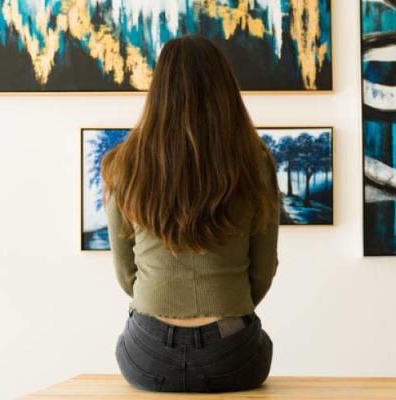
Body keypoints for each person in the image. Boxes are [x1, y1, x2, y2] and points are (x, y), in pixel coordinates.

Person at [101, 36, 280, 393]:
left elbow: (125, 274)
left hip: (148, 353)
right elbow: (262, 271)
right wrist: (227, 305)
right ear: (225, 88)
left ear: (159, 89)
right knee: (259, 345)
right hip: (232, 353)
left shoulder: (124, 163)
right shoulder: (255, 162)